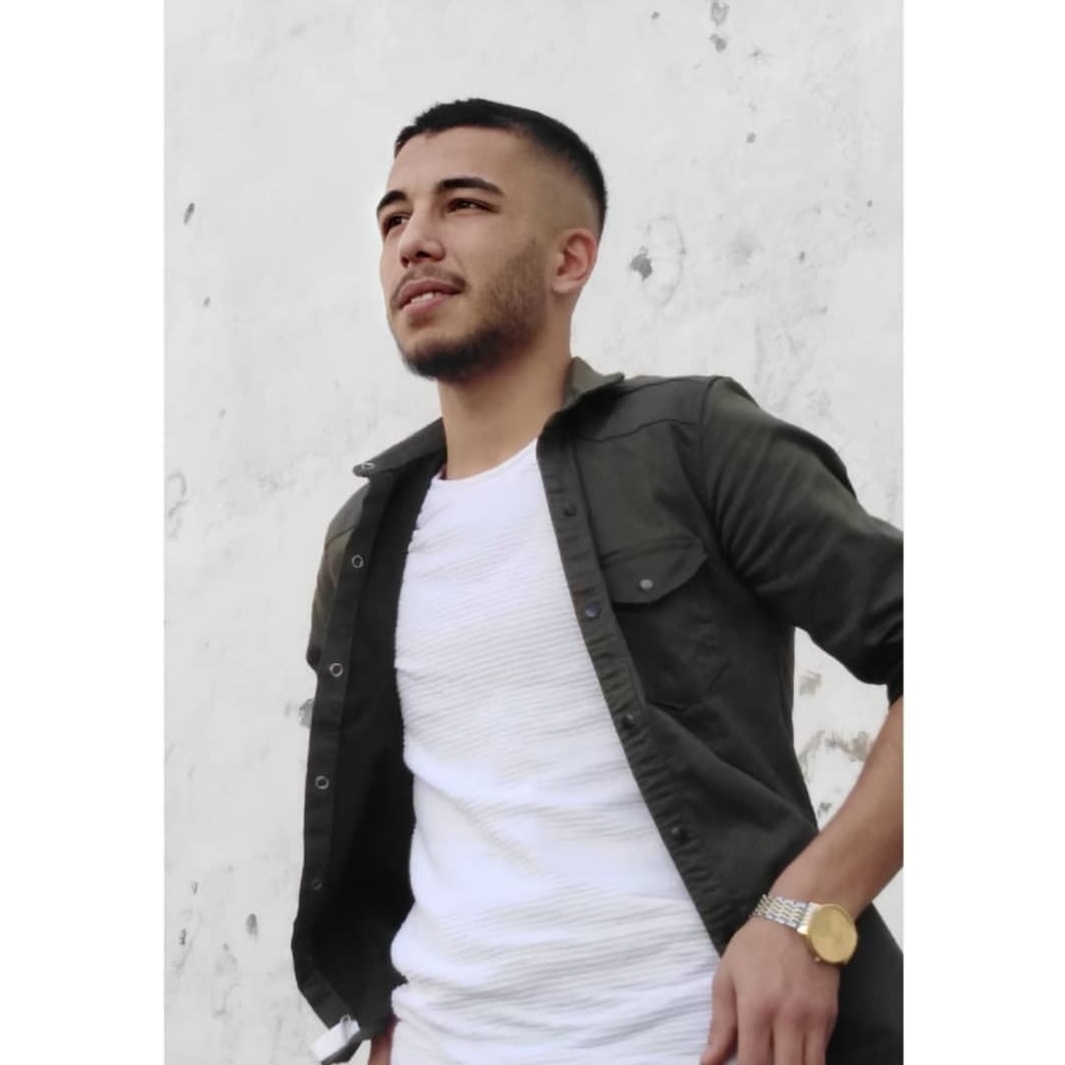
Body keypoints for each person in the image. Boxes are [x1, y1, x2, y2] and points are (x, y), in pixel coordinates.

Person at [292, 98, 903, 1065]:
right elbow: (391, 812)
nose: (414, 240)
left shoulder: (689, 442)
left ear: (569, 259)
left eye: (464, 204)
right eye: (393, 217)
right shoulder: (363, 540)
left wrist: (807, 914)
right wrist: (384, 1023)